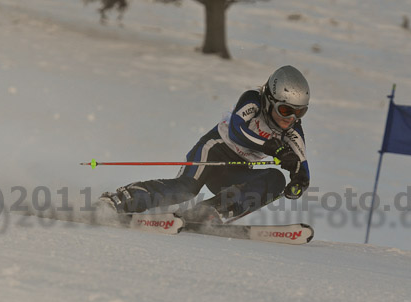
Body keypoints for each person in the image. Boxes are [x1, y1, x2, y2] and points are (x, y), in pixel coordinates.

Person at [97, 65, 311, 223]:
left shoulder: (292, 131)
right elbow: (237, 131)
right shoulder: (253, 100)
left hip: (237, 170)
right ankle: (118, 201)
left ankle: (207, 213)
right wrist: (272, 147)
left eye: (300, 111)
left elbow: (303, 168)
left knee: (275, 179)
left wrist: (298, 182)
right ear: (270, 100)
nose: (291, 118)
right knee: (185, 189)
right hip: (213, 151)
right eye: (285, 110)